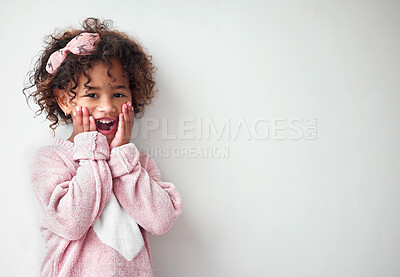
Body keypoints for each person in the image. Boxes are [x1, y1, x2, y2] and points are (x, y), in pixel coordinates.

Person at [23, 17, 182, 277]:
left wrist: (122, 157)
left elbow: (161, 221)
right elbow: (71, 222)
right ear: (64, 101)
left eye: (118, 94)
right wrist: (91, 151)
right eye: (93, 94)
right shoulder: (51, 160)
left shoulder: (136, 163)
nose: (108, 107)